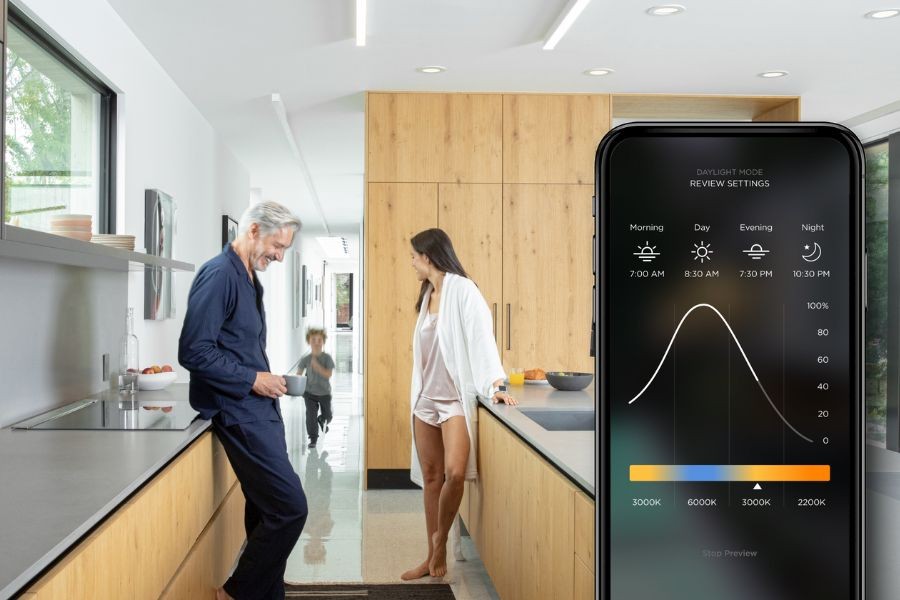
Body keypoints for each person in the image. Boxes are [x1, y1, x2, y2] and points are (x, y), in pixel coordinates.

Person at [179, 201, 307, 600]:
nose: (279, 256)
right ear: (253, 230)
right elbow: (194, 351)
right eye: (277, 245)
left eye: (285, 249)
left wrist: (265, 381)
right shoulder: (219, 275)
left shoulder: (250, 277)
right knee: (290, 508)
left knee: (264, 512)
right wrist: (253, 379)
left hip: (258, 410)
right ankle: (235, 594)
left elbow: (238, 345)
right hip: (237, 412)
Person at [401, 228, 517, 581]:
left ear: (429, 256)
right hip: (425, 401)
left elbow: (482, 338)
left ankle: (439, 544)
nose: (412, 262)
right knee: (433, 477)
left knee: (454, 472)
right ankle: (430, 555)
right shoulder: (428, 295)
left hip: (453, 400)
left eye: (414, 256)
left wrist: (495, 383)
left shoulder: (463, 291)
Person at [297, 326, 335, 448]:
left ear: (323, 342)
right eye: (313, 340)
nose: (317, 343)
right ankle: (313, 439)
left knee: (328, 416)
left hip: (324, 392)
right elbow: (299, 375)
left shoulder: (327, 358)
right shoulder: (305, 359)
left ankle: (322, 420)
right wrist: (296, 387)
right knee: (310, 416)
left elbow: (328, 374)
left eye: (320, 340)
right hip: (309, 393)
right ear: (309, 341)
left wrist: (318, 367)